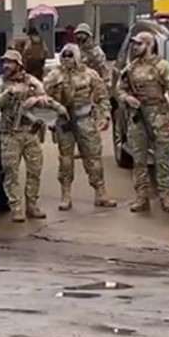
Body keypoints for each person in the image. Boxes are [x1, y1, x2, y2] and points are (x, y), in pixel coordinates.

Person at [0, 49, 66, 222]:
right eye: (4, 62)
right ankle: (16, 207)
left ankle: (32, 205)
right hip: (10, 134)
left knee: (34, 170)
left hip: (30, 133)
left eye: (10, 62)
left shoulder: (31, 81)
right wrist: (8, 93)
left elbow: (45, 97)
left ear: (19, 64)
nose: (6, 65)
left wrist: (36, 100)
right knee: (11, 172)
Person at [43, 43, 117, 211]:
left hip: (85, 119)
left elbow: (102, 96)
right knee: (66, 160)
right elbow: (43, 97)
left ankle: (100, 193)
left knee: (93, 158)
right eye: (64, 55)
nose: (67, 59)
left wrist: (105, 115)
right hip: (64, 121)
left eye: (70, 55)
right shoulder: (54, 76)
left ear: (76, 57)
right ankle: (66, 195)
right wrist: (52, 115)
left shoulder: (89, 74)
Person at [117, 31, 169, 213]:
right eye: (134, 44)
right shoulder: (130, 69)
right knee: (139, 159)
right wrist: (127, 98)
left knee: (163, 159)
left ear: (149, 45)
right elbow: (119, 90)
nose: (135, 47)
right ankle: (141, 197)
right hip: (138, 117)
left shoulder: (162, 67)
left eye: (139, 44)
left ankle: (166, 196)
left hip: (159, 116)